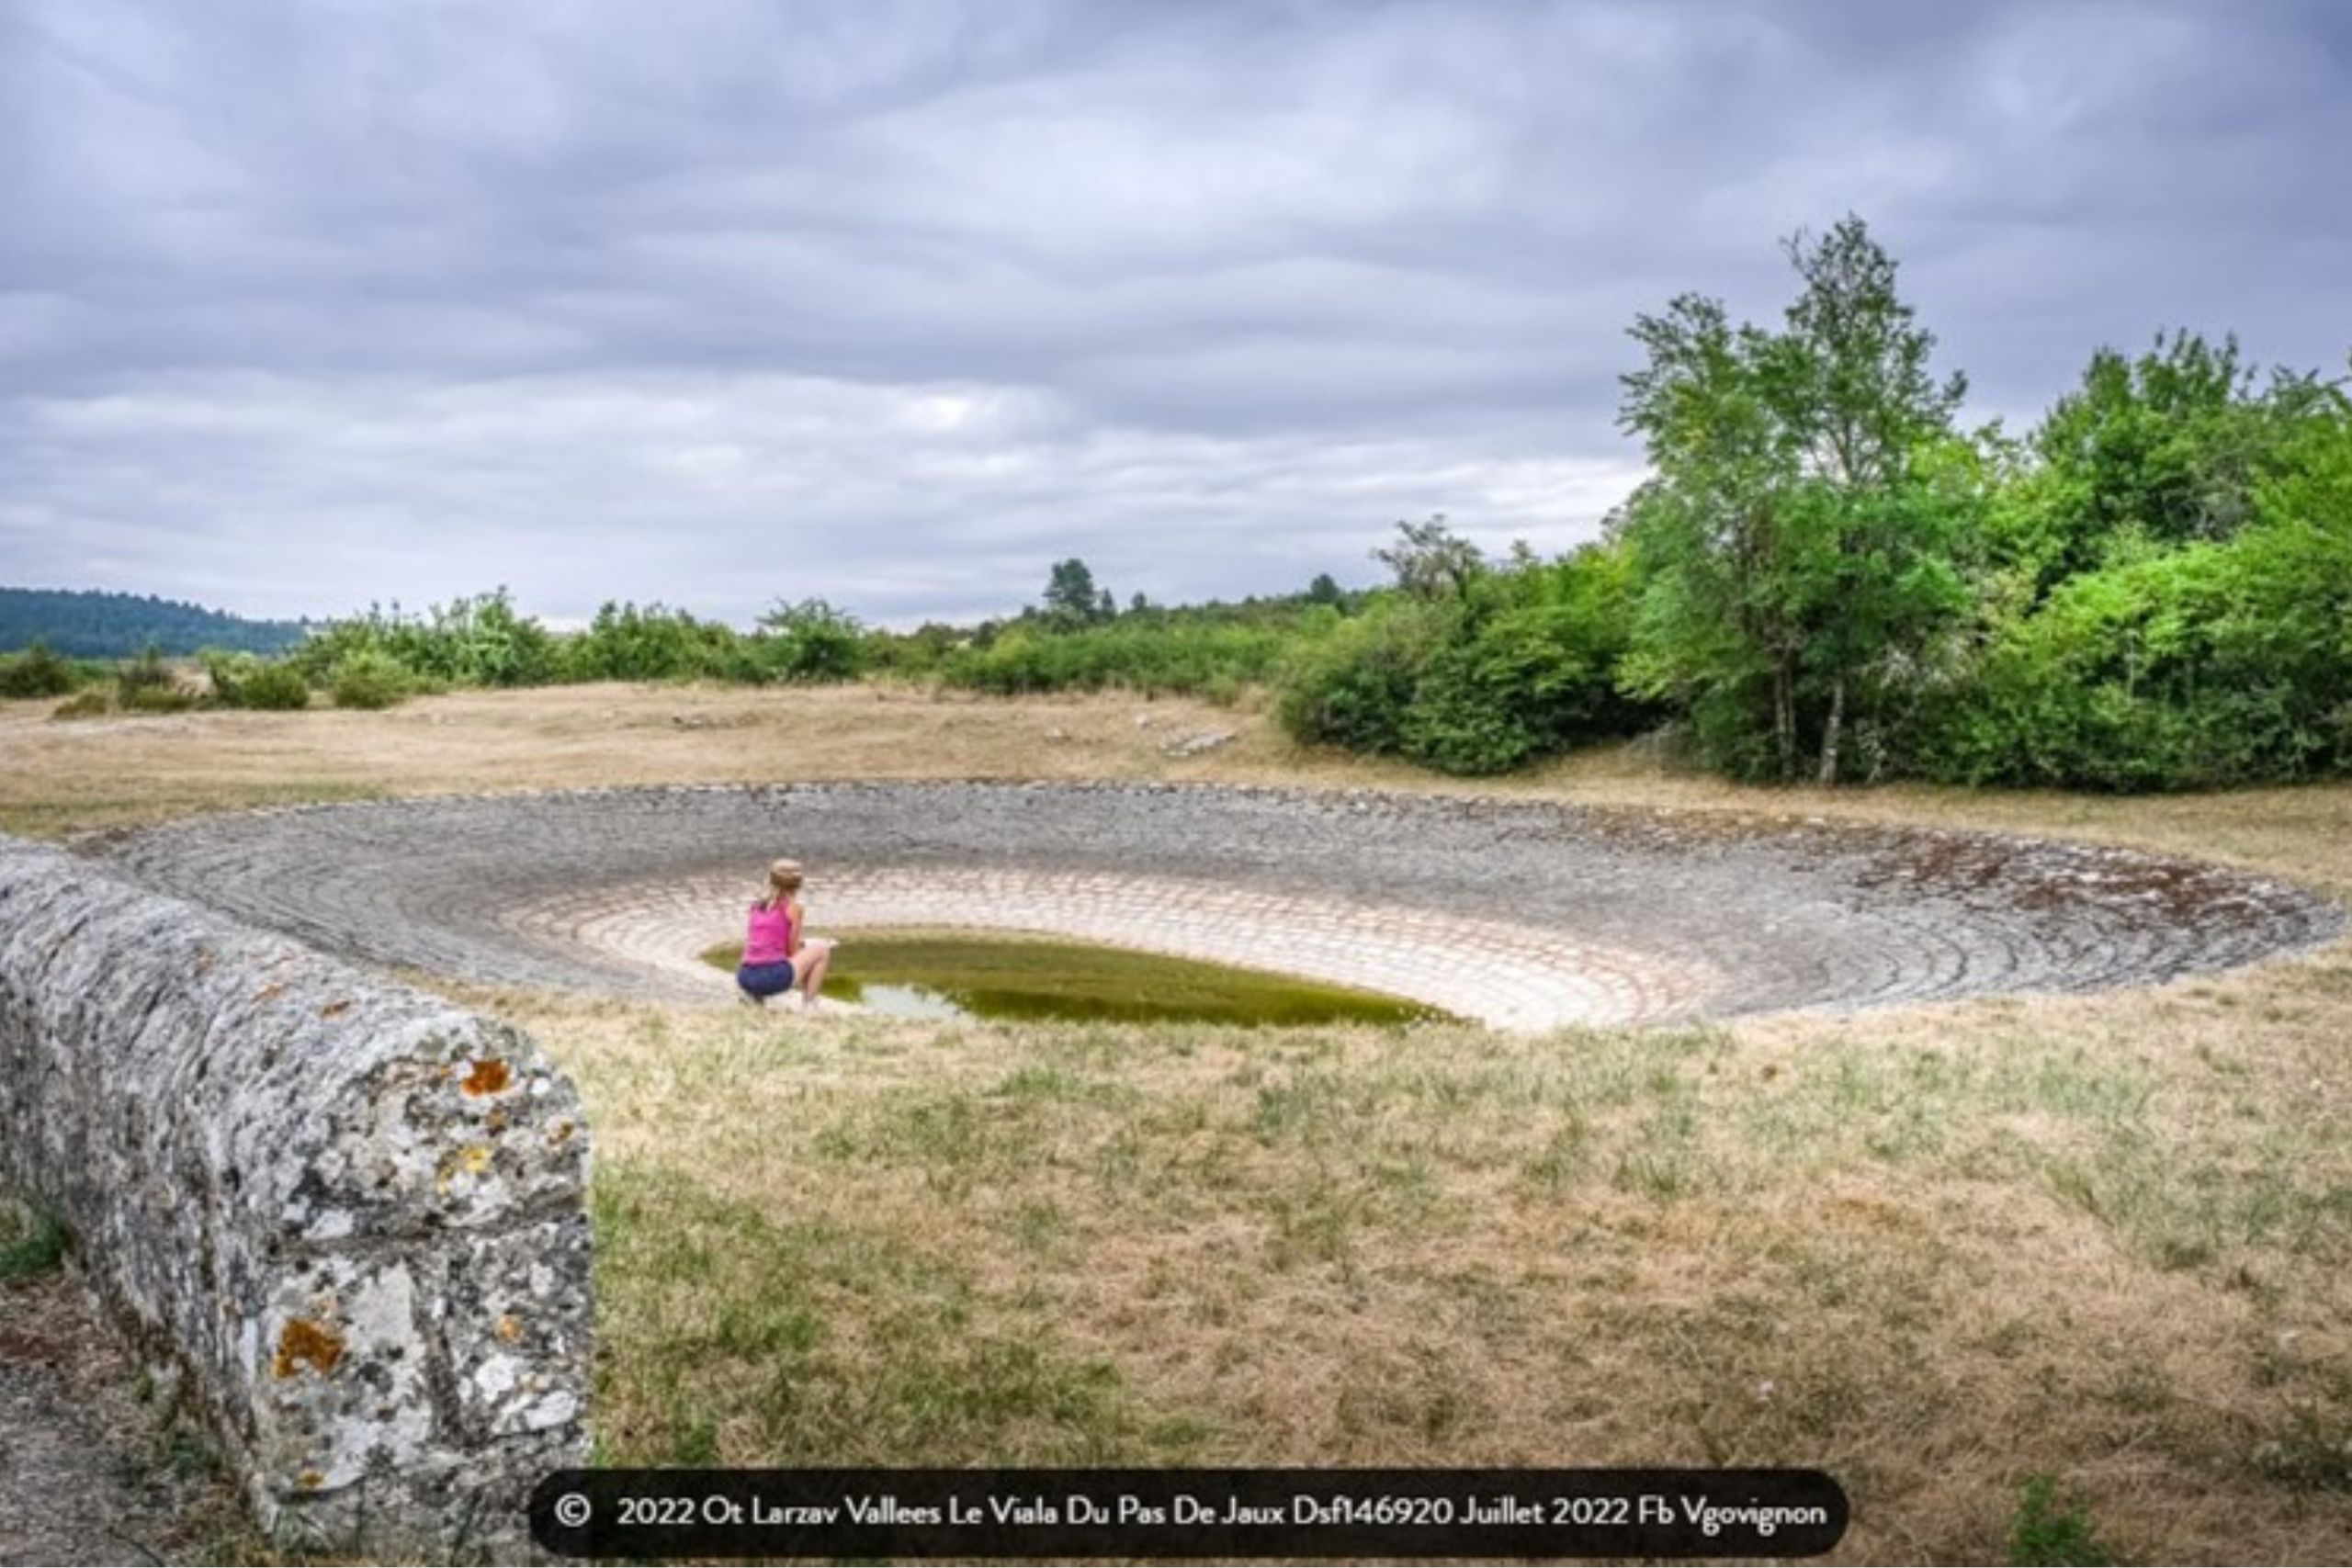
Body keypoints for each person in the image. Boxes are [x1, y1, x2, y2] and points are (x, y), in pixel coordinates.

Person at [735, 858, 834, 1010]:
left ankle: (754, 996)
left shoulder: (756, 906)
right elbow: (792, 952)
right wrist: (811, 946)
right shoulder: (794, 908)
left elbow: (768, 942)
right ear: (798, 884)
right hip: (773, 978)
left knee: (807, 951)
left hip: (745, 975)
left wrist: (805, 945)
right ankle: (809, 1005)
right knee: (822, 950)